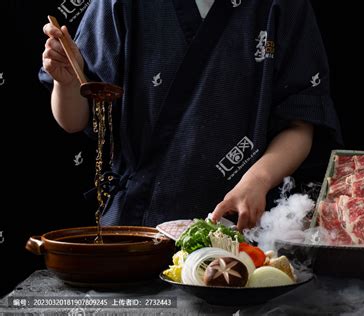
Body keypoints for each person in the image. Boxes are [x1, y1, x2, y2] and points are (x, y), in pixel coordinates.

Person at [40, 0, 342, 231]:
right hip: (137, 229)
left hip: (244, 230)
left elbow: (301, 124)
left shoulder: (281, 5)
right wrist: (65, 82)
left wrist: (258, 181)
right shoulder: (119, 4)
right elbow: (75, 120)